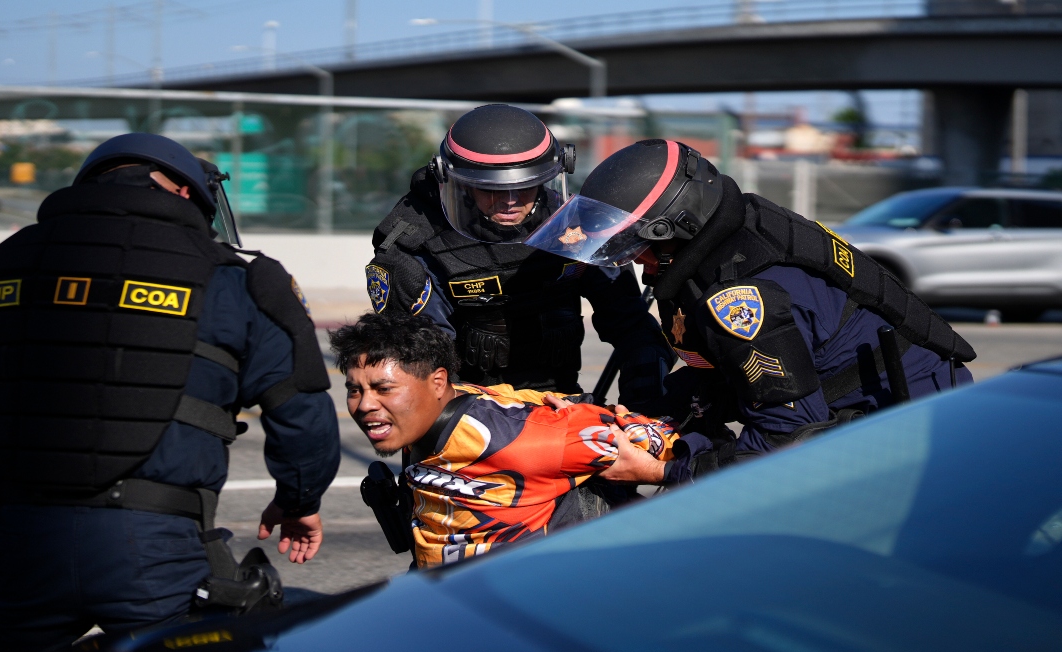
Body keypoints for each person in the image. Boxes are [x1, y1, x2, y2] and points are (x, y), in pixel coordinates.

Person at [0, 133, 341, 652]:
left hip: (13, 544)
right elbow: (300, 405)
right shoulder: (240, 278)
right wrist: (300, 499)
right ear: (184, 192)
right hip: (155, 546)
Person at [524, 139, 976, 466]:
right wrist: (657, 418)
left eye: (630, 244)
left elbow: (789, 440)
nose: (630, 260)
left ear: (672, 234)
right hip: (881, 398)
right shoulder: (733, 232)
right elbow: (725, 374)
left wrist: (664, 470)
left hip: (909, 426)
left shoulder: (740, 300)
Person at [364, 104, 672, 415]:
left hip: (560, 403)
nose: (510, 201)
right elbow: (424, 366)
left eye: (524, 186)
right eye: (492, 189)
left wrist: (643, 416)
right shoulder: (414, 247)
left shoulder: (575, 225)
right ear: (457, 180)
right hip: (465, 409)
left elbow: (633, 327)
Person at [330, 311, 700, 569]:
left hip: (519, 601)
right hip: (438, 598)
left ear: (437, 383)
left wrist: (657, 468)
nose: (364, 405)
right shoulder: (420, 414)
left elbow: (656, 438)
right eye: (354, 390)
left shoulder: (529, 439)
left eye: (383, 389)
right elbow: (510, 396)